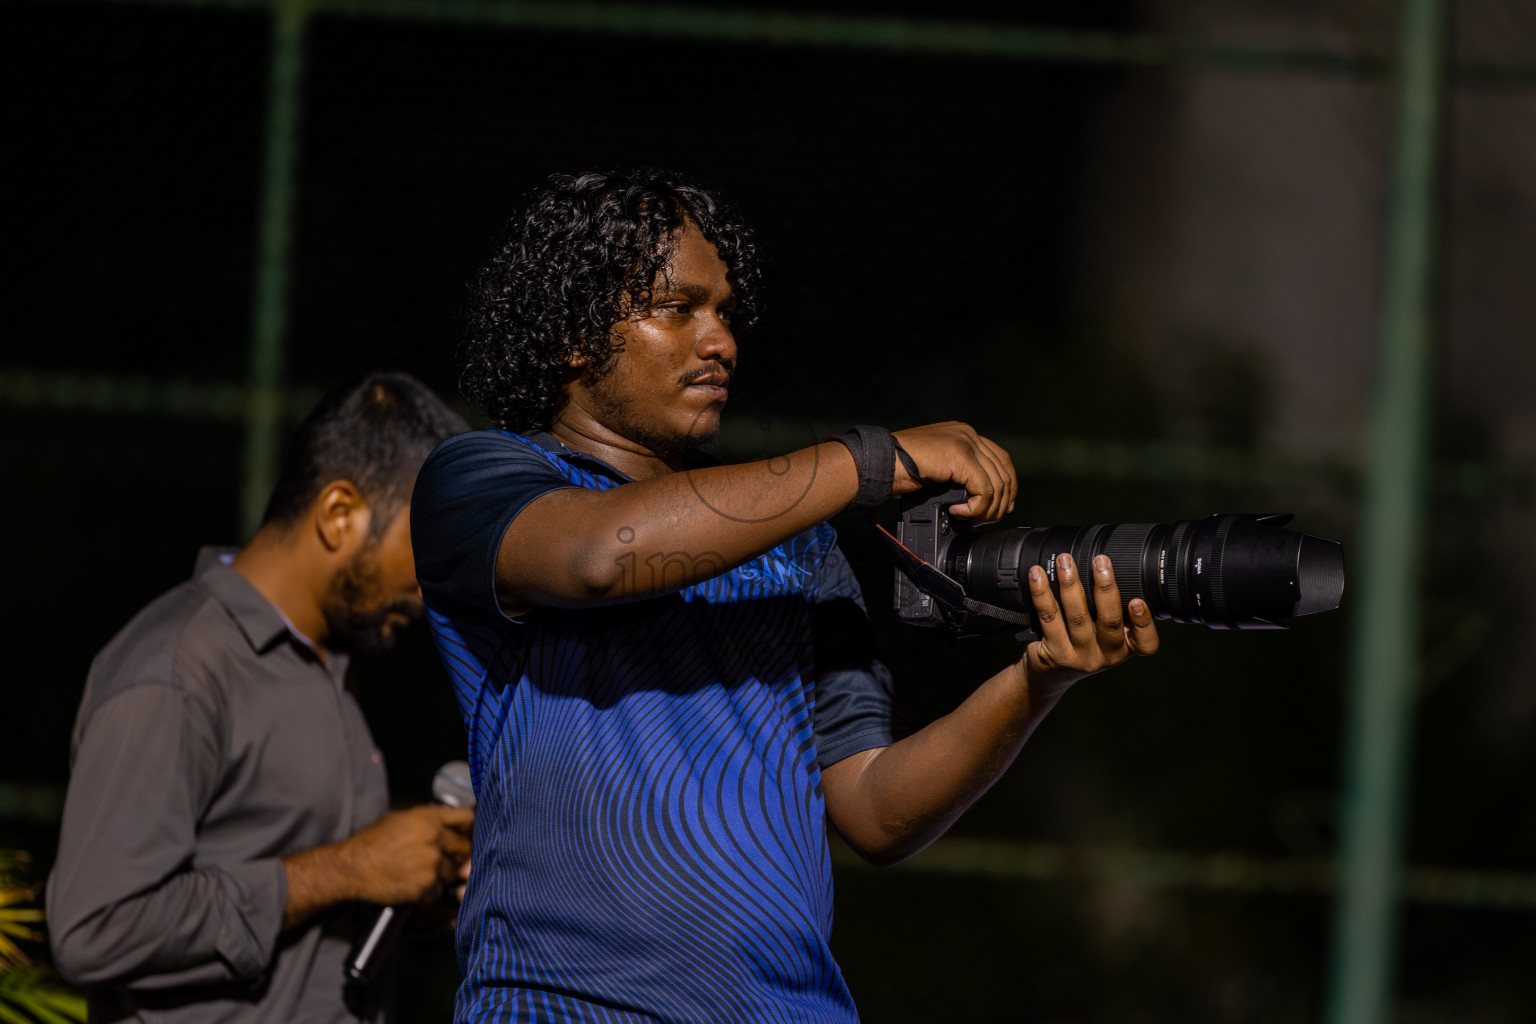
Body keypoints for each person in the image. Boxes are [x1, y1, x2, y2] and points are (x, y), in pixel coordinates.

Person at [411, 170, 1161, 1023]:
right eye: (678, 307)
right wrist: (870, 461)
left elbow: (877, 811)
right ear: (577, 337)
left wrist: (1038, 680)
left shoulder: (797, 545)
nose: (721, 341)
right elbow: (596, 555)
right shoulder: (486, 478)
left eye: (727, 312)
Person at [49, 372, 475, 1023]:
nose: (430, 588)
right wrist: (349, 869)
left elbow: (284, 873)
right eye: (422, 549)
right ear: (339, 515)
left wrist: (402, 891)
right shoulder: (175, 671)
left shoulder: (328, 659)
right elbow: (97, 928)